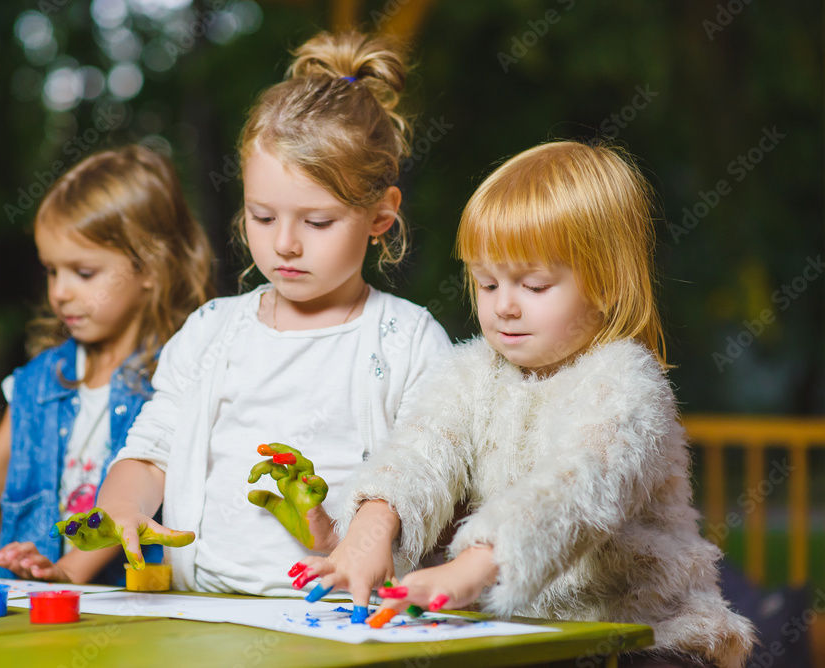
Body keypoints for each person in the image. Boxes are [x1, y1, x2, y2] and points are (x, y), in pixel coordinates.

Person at [295, 141, 755, 667]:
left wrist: (475, 565)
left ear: (606, 285)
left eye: (534, 285)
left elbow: (577, 488)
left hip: (647, 637)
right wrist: (371, 526)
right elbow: (419, 453)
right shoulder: (471, 373)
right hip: (529, 636)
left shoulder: (627, 382)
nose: (504, 306)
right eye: (487, 283)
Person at [63, 31, 451, 596]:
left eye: (317, 222)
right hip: (203, 612)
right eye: (262, 217)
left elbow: (424, 468)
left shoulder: (407, 341)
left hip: (345, 619)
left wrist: (363, 532)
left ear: (380, 215)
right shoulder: (211, 331)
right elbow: (151, 451)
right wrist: (122, 504)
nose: (285, 244)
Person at [0, 145, 214, 584]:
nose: (60, 292)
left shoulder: (179, 380)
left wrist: (66, 571)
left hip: (131, 610)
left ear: (150, 268)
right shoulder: (37, 381)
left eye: (83, 273)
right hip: (35, 607)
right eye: (51, 270)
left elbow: (132, 509)